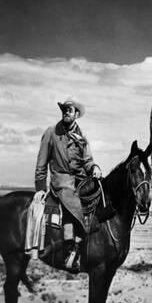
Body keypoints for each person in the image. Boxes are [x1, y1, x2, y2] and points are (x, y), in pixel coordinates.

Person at [34, 97, 102, 271]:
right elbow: (41, 162)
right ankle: (70, 251)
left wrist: (94, 168)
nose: (66, 112)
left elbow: (87, 161)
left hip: (80, 180)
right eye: (64, 109)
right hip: (61, 179)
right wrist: (41, 188)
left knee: (98, 196)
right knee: (71, 200)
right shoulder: (51, 133)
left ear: (76, 115)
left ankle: (94, 246)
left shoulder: (82, 137)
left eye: (69, 110)